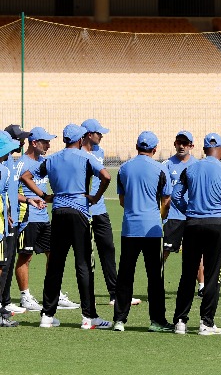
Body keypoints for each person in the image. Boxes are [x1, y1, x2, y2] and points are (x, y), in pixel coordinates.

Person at [21, 123, 112, 330]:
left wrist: (45, 195)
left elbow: (25, 176)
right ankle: (89, 317)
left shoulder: (52, 159)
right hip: (80, 212)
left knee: (55, 264)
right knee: (84, 264)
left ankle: (47, 315)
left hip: (59, 212)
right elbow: (106, 176)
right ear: (80, 140)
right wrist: (95, 197)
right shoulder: (86, 157)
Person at [172, 133, 221, 335]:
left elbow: (176, 196)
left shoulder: (190, 169)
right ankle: (206, 322)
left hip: (192, 224)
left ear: (202, 149)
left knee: (188, 273)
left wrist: (190, 210)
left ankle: (180, 322)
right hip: (216, 225)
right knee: (212, 275)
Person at [113, 131, 172, 332]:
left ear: (136, 146)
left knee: (125, 276)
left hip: (129, 228)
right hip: (152, 230)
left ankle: (119, 320)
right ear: (154, 149)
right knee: (155, 277)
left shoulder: (124, 168)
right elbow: (166, 200)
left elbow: (122, 200)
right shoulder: (160, 168)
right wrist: (159, 216)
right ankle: (157, 321)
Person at [15, 127, 80, 311]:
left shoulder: (46, 161)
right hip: (27, 217)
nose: (49, 145)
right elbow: (11, 191)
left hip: (44, 217)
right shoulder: (21, 163)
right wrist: (36, 197)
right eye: (45, 141)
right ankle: (25, 296)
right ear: (34, 143)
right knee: (25, 257)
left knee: (53, 255)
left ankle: (54, 293)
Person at [81, 119, 139, 307]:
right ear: (89, 134)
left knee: (108, 249)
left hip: (100, 210)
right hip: (83, 211)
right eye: (99, 133)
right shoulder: (78, 154)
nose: (102, 136)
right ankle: (87, 297)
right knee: (86, 256)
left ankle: (115, 294)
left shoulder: (100, 151)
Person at [161, 131, 203, 296]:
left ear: (191, 146)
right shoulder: (166, 165)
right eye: (179, 142)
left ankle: (202, 286)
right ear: (174, 144)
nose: (181, 146)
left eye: (185, 143)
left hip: (192, 216)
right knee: (164, 252)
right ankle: (156, 283)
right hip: (173, 217)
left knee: (197, 253)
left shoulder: (197, 165)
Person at [0, 125, 31, 317]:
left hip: (9, 217)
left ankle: (6, 300)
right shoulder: (4, 163)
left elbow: (9, 192)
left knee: (8, 261)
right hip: (3, 219)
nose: (21, 143)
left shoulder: (9, 160)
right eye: (18, 139)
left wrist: (25, 200)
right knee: (3, 263)